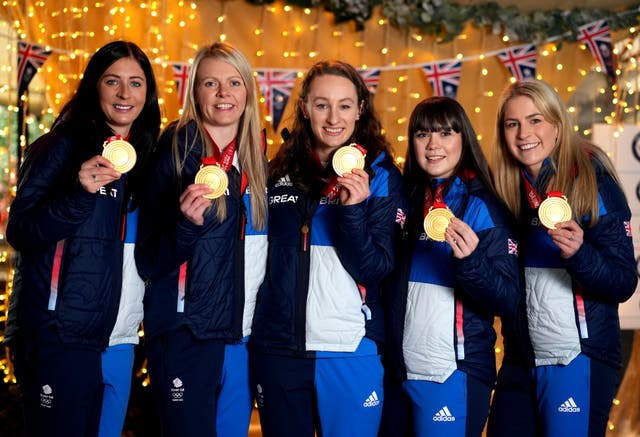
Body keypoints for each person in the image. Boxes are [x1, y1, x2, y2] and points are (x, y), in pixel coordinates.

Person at [5, 40, 160, 437]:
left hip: (116, 338)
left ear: (149, 92)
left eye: (136, 83)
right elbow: (21, 230)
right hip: (60, 333)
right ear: (95, 86)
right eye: (113, 82)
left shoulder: (142, 160)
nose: (125, 94)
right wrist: (77, 194)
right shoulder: (62, 145)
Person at [249, 60, 405, 437]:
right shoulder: (278, 170)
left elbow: (375, 269)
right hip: (279, 348)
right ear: (304, 107)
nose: (333, 117)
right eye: (321, 104)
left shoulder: (381, 175)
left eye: (345, 105)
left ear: (361, 109)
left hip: (350, 346)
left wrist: (352, 211)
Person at [487, 79, 637, 437]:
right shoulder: (507, 190)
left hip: (578, 359)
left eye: (536, 120)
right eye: (513, 124)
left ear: (557, 124)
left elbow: (623, 281)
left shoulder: (591, 179)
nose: (525, 133)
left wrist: (581, 254)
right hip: (522, 361)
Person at [135, 41, 267, 437]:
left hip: (241, 335)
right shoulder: (174, 151)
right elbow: (149, 260)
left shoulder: (256, 158)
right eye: (211, 83)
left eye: (233, 82)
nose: (224, 93)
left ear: (248, 92)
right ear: (194, 91)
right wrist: (185, 226)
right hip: (187, 332)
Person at [378, 96, 521, 437]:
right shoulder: (406, 200)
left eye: (445, 133)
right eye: (423, 134)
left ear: (463, 139)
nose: (433, 145)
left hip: (453, 373)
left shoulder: (484, 205)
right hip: (398, 374)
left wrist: (471, 262)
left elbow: (510, 300)